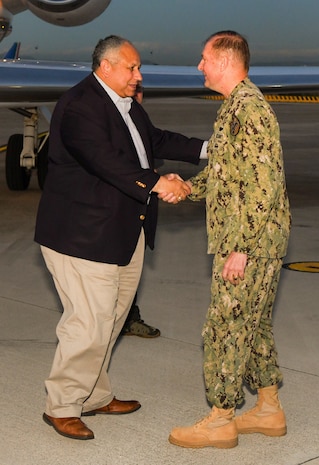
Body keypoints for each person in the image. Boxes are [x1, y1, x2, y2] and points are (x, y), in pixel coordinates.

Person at [35, 35, 206, 440]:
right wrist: (157, 183)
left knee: (110, 321)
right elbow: (104, 161)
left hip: (122, 232)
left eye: (138, 67)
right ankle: (61, 405)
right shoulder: (79, 106)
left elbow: (156, 140)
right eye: (131, 68)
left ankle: (92, 395)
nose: (138, 75)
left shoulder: (124, 105)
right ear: (106, 66)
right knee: (88, 324)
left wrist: (208, 149)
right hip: (82, 236)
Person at [168, 31, 291, 449]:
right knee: (253, 326)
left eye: (204, 58)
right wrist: (186, 187)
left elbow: (264, 187)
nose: (199, 66)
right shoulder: (235, 107)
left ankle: (221, 419)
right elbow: (230, 177)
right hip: (254, 239)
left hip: (250, 242)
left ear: (224, 60)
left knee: (224, 327)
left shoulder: (248, 109)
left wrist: (241, 248)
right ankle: (269, 408)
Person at [121, 81, 161, 338]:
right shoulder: (109, 121)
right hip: (113, 217)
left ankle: (127, 318)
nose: (137, 96)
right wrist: (156, 182)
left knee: (127, 275)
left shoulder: (137, 121)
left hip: (135, 216)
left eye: (140, 90)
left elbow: (160, 141)